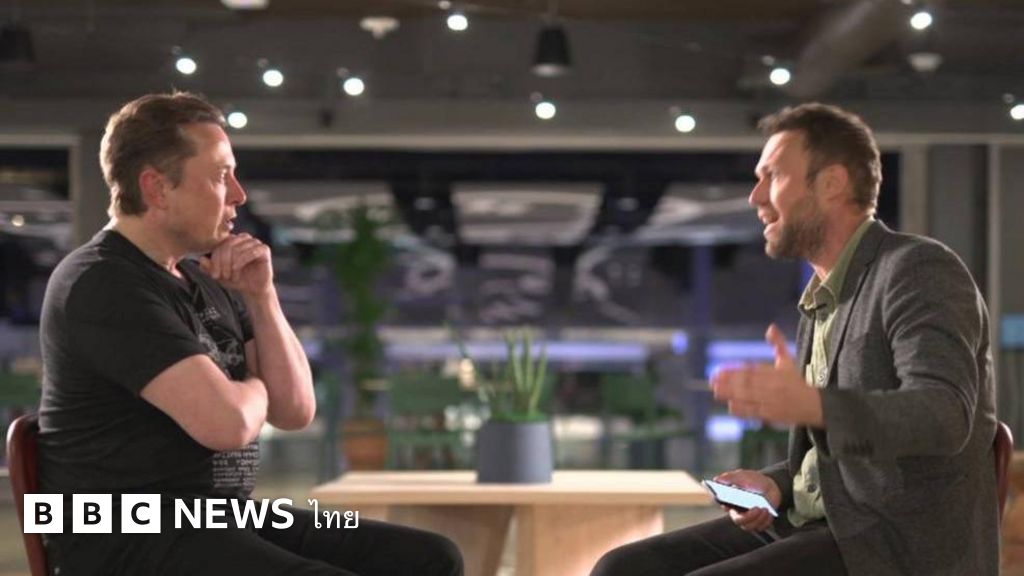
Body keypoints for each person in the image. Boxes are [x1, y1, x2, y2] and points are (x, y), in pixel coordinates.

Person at [37, 92, 463, 576]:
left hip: (221, 518)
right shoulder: (102, 282)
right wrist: (255, 386)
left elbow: (295, 410)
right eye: (221, 176)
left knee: (429, 557)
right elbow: (228, 425)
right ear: (156, 188)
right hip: (128, 532)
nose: (239, 194)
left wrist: (262, 296)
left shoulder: (201, 278)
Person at [592, 103, 997, 576]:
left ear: (832, 183)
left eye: (773, 176)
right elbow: (833, 461)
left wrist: (815, 405)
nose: (755, 196)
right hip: (816, 523)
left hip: (889, 544)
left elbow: (943, 416)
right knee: (620, 568)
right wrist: (776, 485)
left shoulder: (917, 269)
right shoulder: (821, 298)